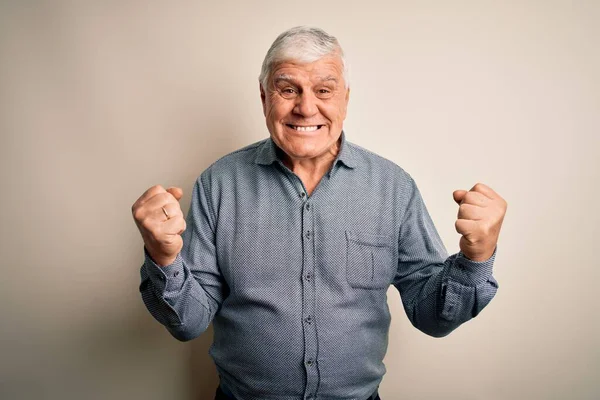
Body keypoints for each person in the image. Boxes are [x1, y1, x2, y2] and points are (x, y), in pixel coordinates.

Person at [131, 26, 507, 400]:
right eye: (288, 89)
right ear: (264, 98)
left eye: (324, 90)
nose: (306, 107)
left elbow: (432, 317)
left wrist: (476, 259)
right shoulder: (219, 184)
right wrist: (164, 260)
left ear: (345, 98)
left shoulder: (393, 187)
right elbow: (189, 323)